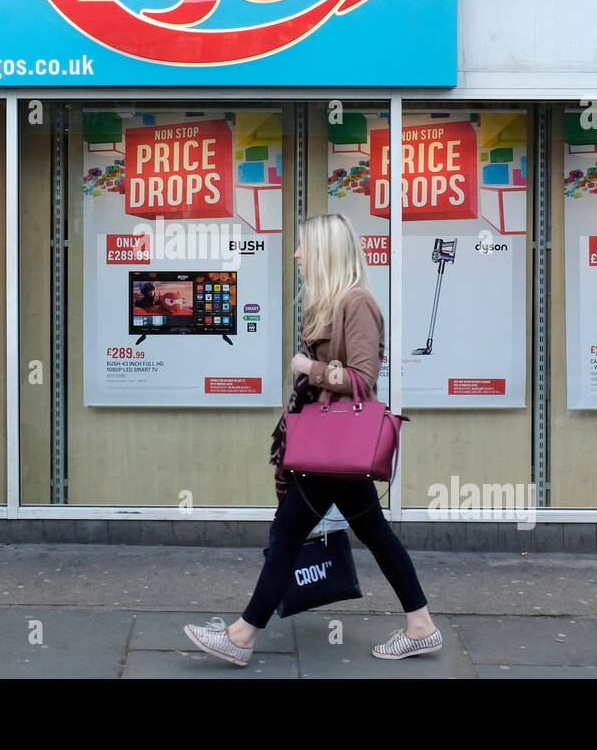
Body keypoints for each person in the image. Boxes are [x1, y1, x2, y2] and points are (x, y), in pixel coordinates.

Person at [184, 213, 440, 666]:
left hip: (334, 442)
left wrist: (311, 370)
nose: (297, 254)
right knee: (375, 533)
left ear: (325, 253)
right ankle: (421, 626)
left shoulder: (356, 303)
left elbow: (363, 377)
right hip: (332, 444)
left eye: (304, 247)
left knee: (287, 532)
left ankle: (241, 636)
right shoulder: (329, 303)